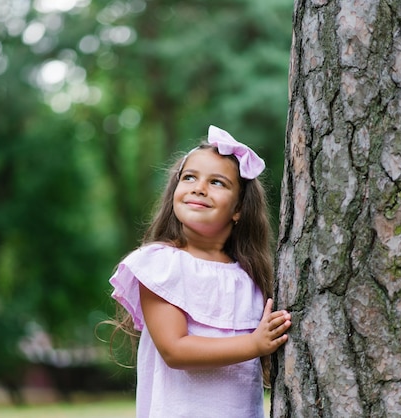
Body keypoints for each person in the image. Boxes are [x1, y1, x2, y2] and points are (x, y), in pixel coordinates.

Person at [107, 125, 291, 417]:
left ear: (239, 208)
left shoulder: (249, 277)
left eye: (217, 182)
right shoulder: (161, 265)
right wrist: (254, 343)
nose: (199, 188)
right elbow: (175, 350)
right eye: (189, 177)